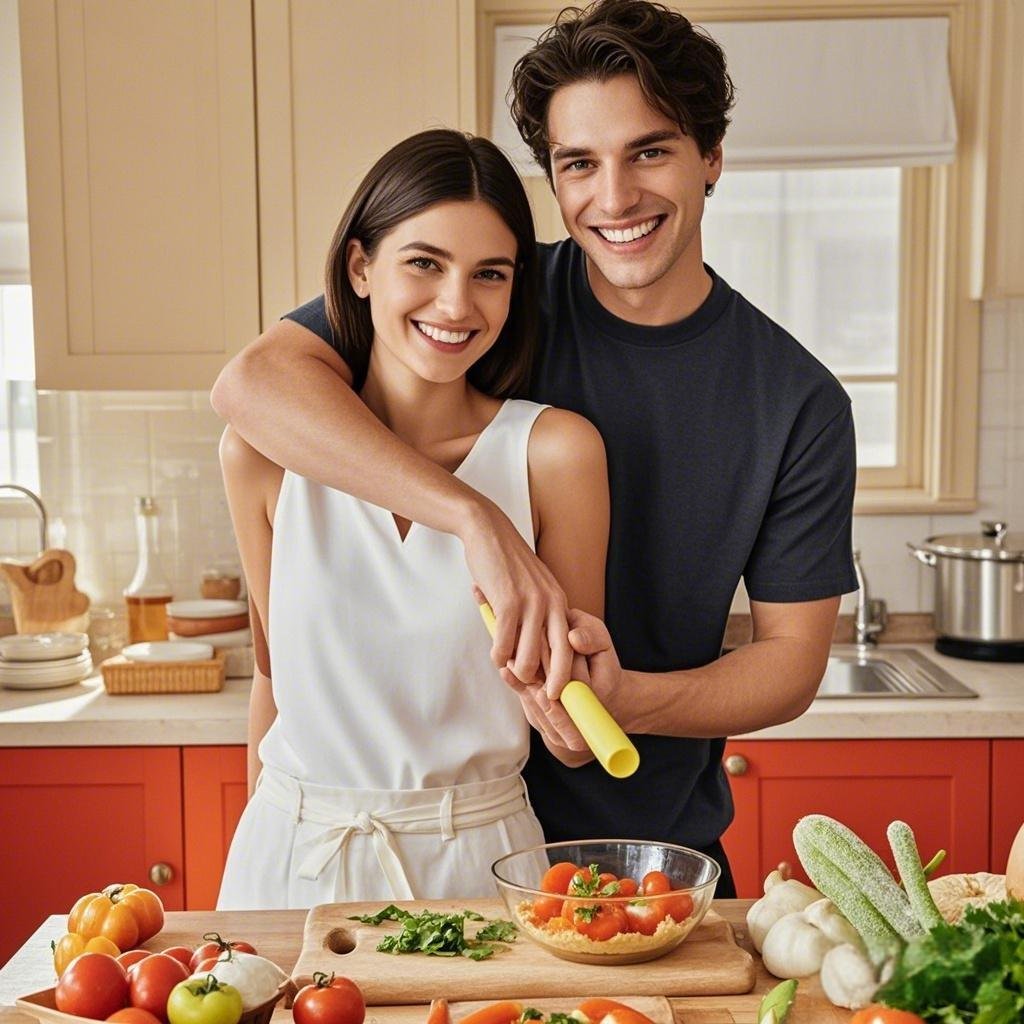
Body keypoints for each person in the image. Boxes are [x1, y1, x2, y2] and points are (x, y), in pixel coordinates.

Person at [211, 0, 858, 898]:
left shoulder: (796, 400)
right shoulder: (480, 297)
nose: (615, 196)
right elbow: (250, 387)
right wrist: (475, 520)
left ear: (711, 157)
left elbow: (790, 664)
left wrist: (622, 699)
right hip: (416, 846)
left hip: (641, 845)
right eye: (579, 163)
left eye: (651, 151)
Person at [215, 128, 609, 910]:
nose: (456, 304)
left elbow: (570, 715)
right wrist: (259, 866)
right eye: (423, 263)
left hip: (485, 865)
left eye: (488, 274)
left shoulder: (555, 454)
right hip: (294, 856)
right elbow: (272, 678)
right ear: (361, 267)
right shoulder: (260, 454)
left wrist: (573, 729)